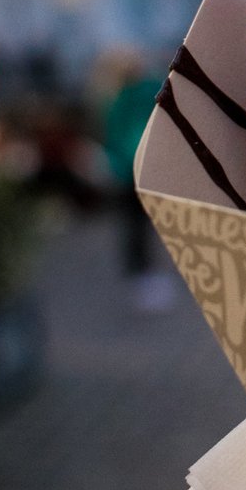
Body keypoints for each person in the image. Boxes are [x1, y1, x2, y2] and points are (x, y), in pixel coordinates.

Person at [98, 50, 174, 312]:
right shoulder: (151, 88)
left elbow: (114, 135)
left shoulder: (120, 98)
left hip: (129, 171)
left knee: (136, 229)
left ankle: (143, 277)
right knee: (150, 225)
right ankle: (150, 277)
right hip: (148, 167)